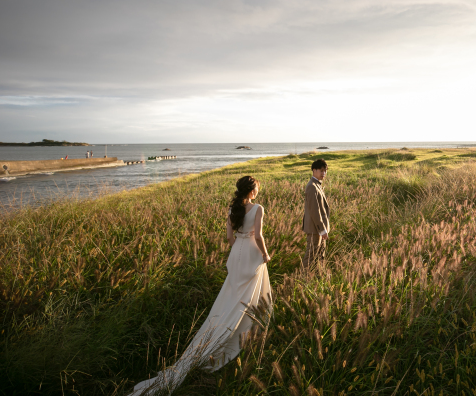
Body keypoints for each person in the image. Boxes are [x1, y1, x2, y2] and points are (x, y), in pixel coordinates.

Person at [130, 176, 272, 395]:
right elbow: (260, 235)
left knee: (231, 297)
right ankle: (244, 331)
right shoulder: (258, 208)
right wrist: (264, 253)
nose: (257, 192)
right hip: (252, 254)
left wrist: (238, 249)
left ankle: (221, 331)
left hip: (237, 255)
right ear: (251, 190)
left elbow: (229, 237)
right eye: (257, 189)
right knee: (248, 297)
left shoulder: (233, 208)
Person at [303, 159, 330, 269]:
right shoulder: (311, 186)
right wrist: (322, 229)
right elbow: (315, 210)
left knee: (320, 256)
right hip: (315, 229)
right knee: (311, 257)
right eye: (321, 170)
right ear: (314, 170)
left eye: (325, 171)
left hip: (319, 229)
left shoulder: (317, 184)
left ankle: (318, 278)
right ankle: (303, 279)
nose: (324, 173)